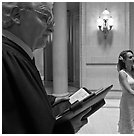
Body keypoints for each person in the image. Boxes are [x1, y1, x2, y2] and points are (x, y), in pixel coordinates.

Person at [2, 2, 90, 133]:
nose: (52, 28)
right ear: (17, 15)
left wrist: (50, 100)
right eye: (45, 17)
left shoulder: (19, 55)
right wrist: (64, 129)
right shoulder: (5, 56)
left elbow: (18, 102)